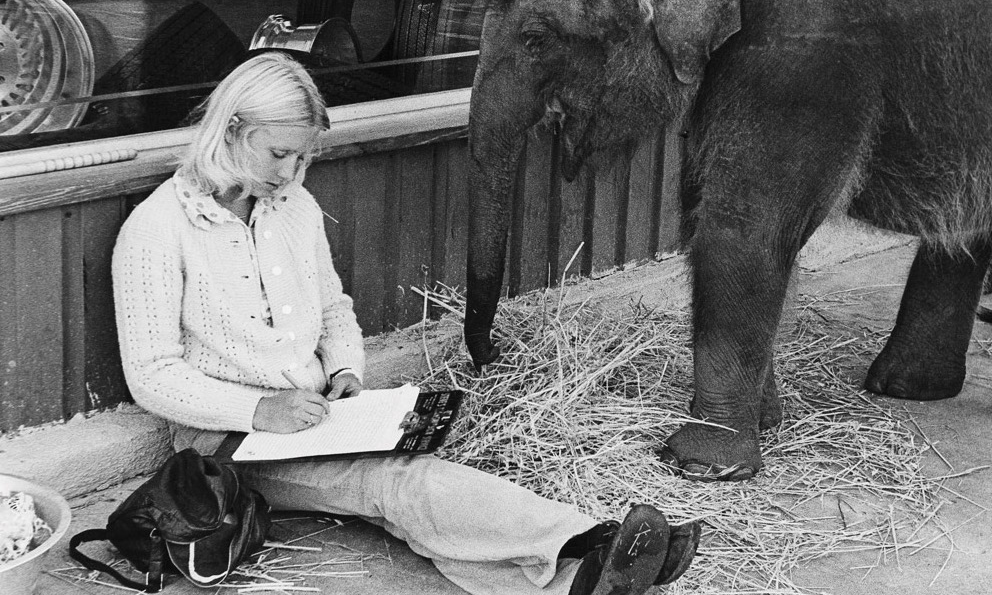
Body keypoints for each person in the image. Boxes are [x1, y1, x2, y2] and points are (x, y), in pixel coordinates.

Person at [112, 51, 700, 595]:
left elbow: (333, 307)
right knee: (396, 483)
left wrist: (345, 368)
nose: (293, 171)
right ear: (234, 130)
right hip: (227, 443)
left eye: (305, 155)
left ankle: (580, 572)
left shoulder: (293, 207)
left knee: (402, 489)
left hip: (318, 412)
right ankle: (586, 543)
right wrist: (260, 411)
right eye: (279, 153)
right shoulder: (158, 227)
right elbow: (152, 375)